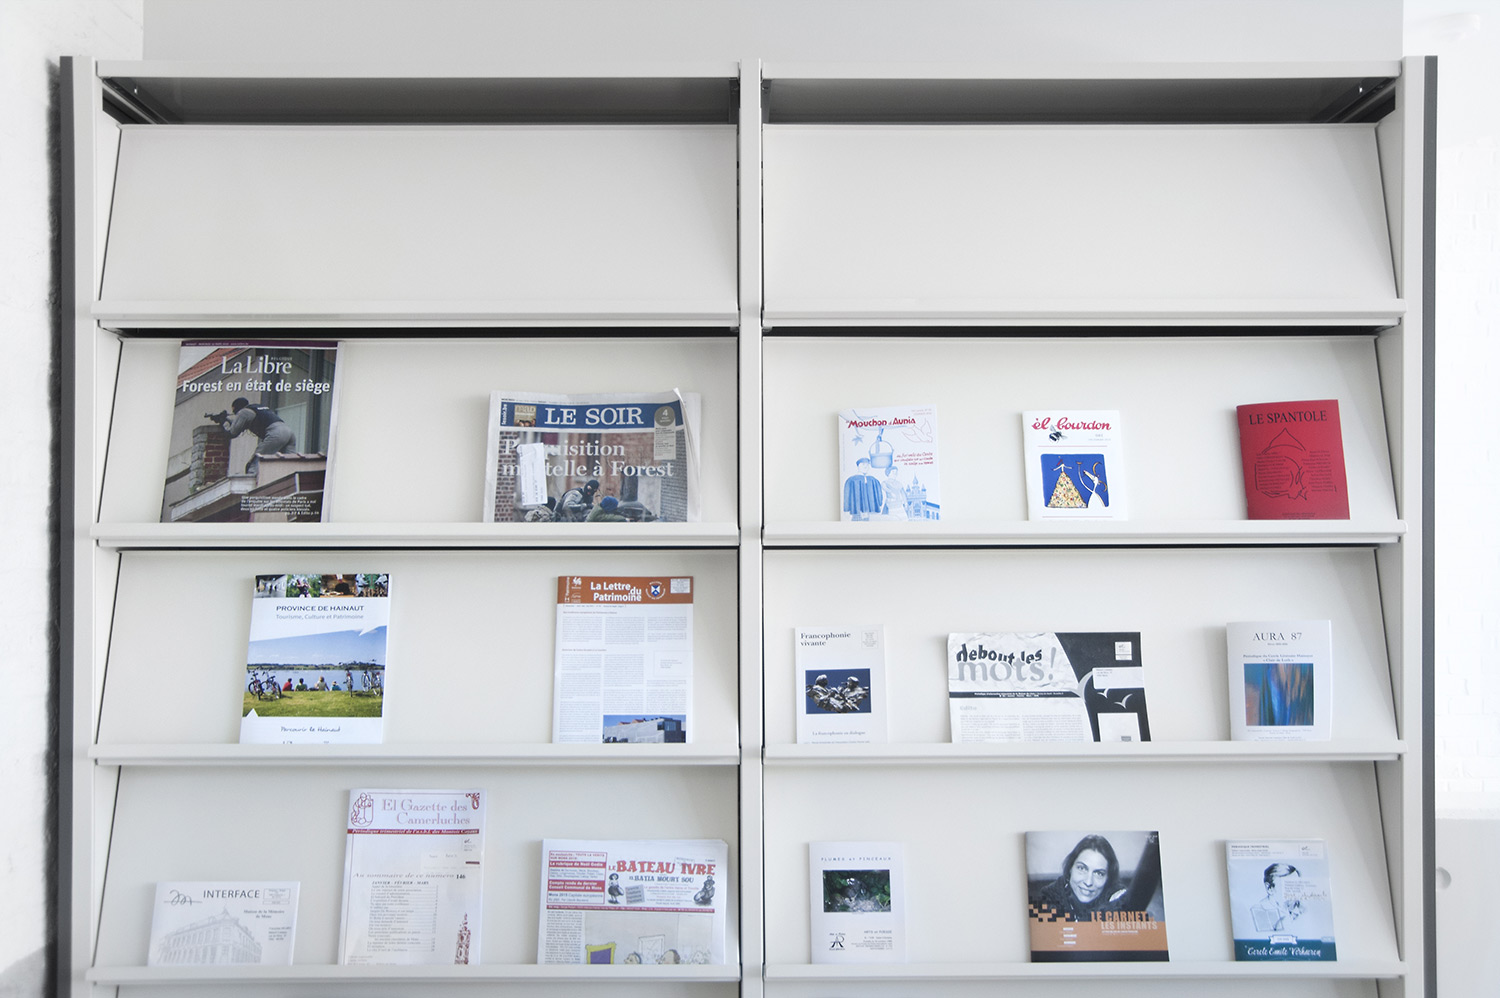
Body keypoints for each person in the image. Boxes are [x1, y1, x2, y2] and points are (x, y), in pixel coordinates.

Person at [1033, 833, 1162, 919]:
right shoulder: (1051, 895)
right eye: (1082, 868)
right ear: (1070, 868)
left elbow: (1129, 904)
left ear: (1108, 878)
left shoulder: (1115, 897)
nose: (1088, 882)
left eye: (1099, 874)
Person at [212, 397, 296, 474]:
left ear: (237, 408)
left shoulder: (244, 412)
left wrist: (223, 422)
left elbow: (232, 433)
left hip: (276, 434)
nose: (235, 414)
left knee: (254, 465)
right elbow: (239, 423)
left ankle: (250, 484)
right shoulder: (256, 408)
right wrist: (227, 420)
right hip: (289, 433)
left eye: (234, 411)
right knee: (290, 465)